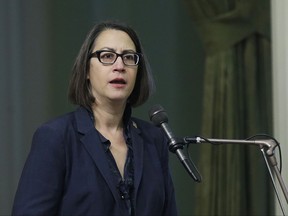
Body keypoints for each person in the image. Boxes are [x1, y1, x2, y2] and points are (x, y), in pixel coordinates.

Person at [12, 21, 178, 216]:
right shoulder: (55, 137)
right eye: (107, 56)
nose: (120, 66)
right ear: (87, 70)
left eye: (129, 57)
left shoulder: (154, 140)